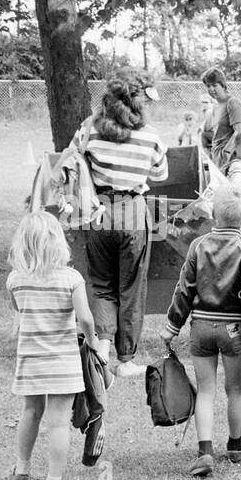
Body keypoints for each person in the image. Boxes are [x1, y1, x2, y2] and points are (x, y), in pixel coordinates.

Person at [70, 72, 168, 379]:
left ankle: (101, 346)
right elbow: (160, 174)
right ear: (140, 103)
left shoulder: (89, 128)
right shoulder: (151, 136)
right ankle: (125, 360)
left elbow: (73, 159)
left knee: (100, 283)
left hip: (97, 212)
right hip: (132, 213)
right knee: (131, 288)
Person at [162, 185, 241, 477]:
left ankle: (205, 450)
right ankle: (234, 445)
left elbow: (184, 289)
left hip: (201, 325)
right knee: (234, 389)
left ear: (213, 213)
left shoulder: (198, 246)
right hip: (234, 328)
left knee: (205, 390)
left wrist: (172, 326)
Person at [7, 212, 96, 480]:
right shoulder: (71, 279)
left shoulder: (15, 280)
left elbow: (20, 314)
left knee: (31, 411)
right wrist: (91, 339)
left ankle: (22, 469)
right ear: (58, 241)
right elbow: (85, 318)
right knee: (58, 422)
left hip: (31, 358)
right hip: (62, 360)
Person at [201, 67, 241, 169]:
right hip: (218, 156)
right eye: (208, 86)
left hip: (230, 158)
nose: (211, 89)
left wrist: (226, 153)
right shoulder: (216, 105)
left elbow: (239, 132)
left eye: (215, 85)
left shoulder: (232, 103)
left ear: (223, 85)